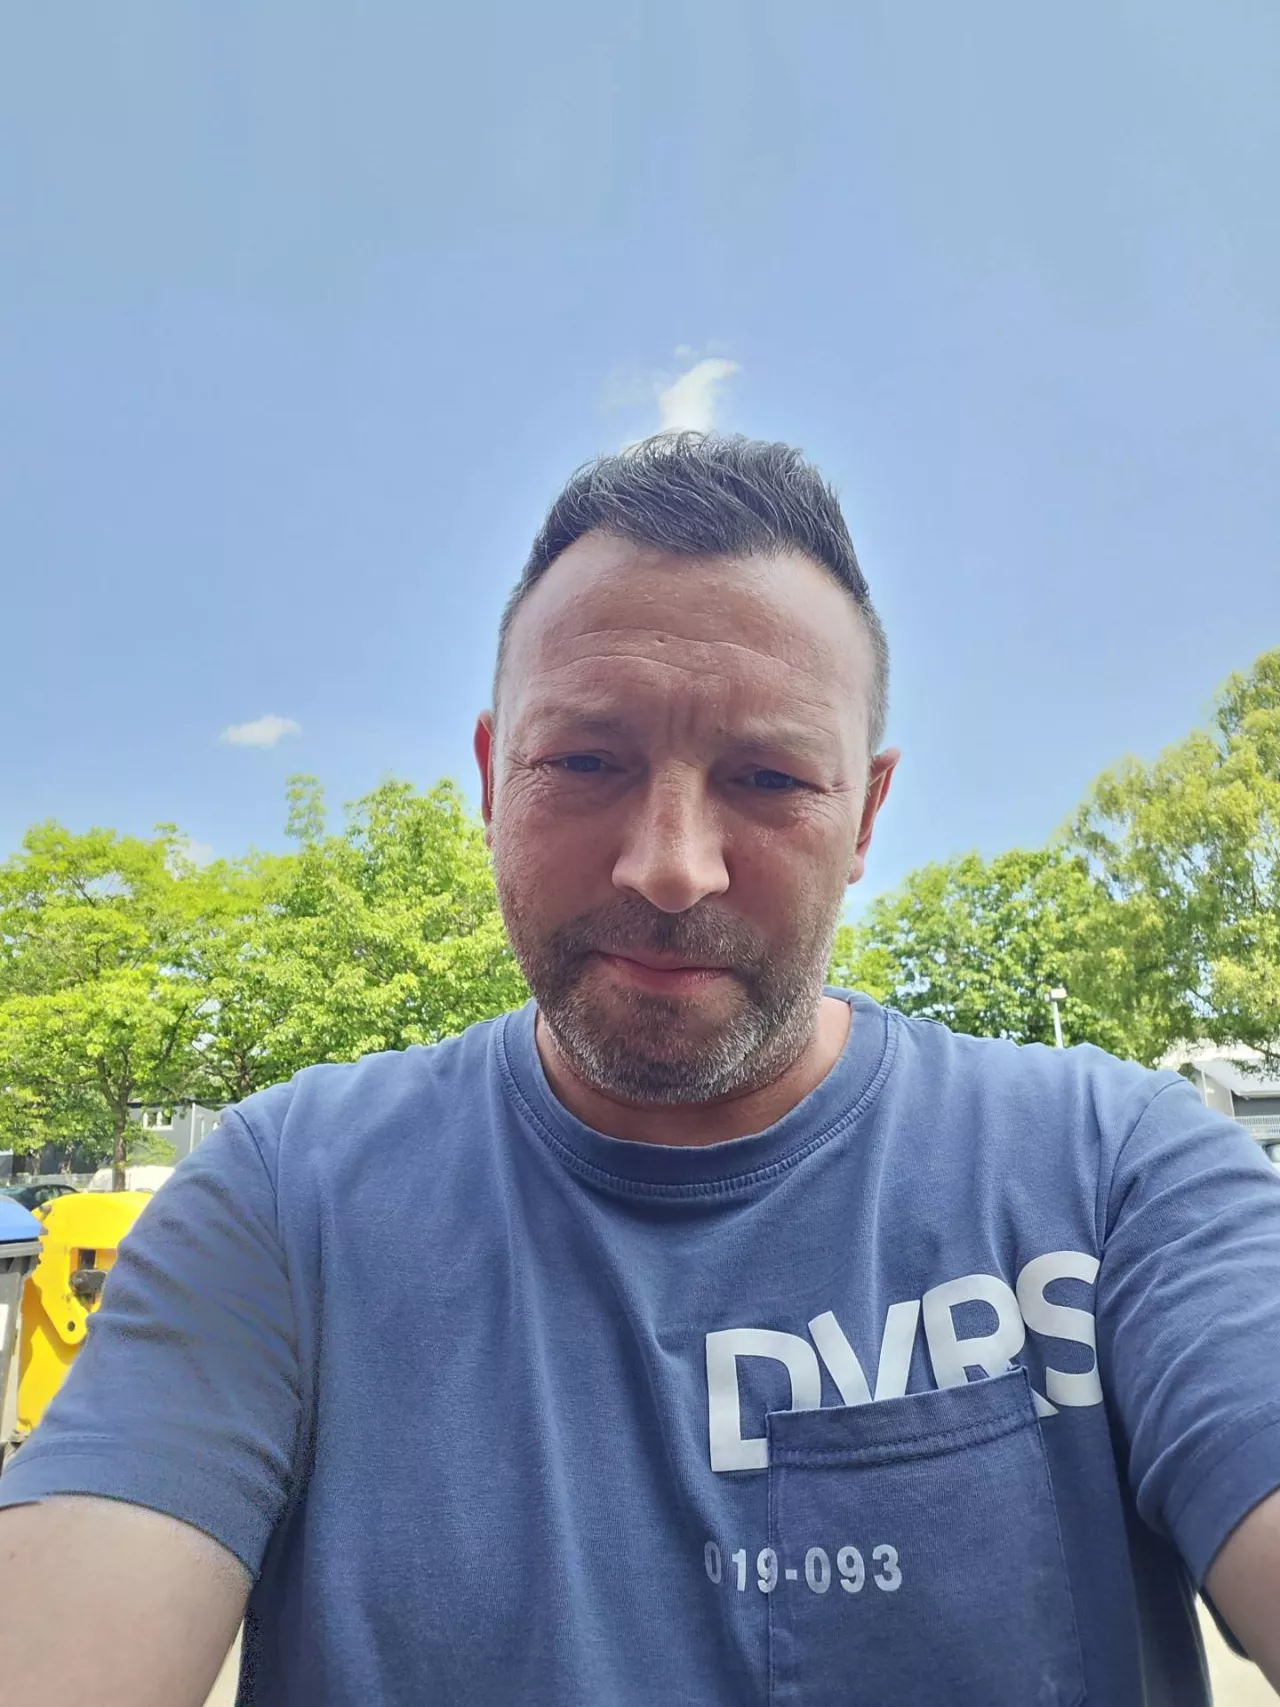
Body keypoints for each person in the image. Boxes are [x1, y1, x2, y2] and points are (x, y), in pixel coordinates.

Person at [1, 434, 1279, 1707]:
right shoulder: (283, 1207)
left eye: (767, 777)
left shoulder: (1116, 1177)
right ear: (492, 779)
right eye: (585, 762)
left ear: (865, 816)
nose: (670, 868)